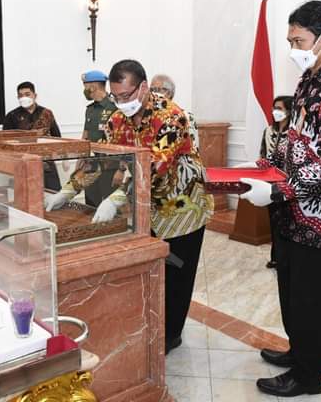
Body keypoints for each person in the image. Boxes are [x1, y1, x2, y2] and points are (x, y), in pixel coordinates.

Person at [45, 60, 214, 355]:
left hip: (183, 209)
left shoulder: (173, 117)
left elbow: (154, 167)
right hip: (146, 208)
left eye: (126, 96)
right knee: (151, 268)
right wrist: (69, 189)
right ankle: (151, 324)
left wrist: (115, 199)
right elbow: (100, 159)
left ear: (144, 87)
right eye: (116, 97)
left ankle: (170, 335)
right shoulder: (117, 120)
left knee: (177, 276)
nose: (121, 103)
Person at [239, 1, 321, 397]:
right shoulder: (309, 81)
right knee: (292, 289)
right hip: (295, 210)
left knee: (314, 299)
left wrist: (276, 189)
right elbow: (294, 140)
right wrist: (263, 164)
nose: (294, 47)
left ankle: (310, 376)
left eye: (299, 40)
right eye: (291, 39)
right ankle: (299, 351)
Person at [3, 81, 62, 190]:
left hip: (46, 162)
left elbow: (57, 136)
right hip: (23, 163)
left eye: (27, 94)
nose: (24, 98)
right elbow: (6, 142)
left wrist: (64, 159)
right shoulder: (12, 116)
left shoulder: (46, 113)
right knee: (28, 196)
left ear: (35, 95)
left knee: (53, 192)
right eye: (20, 95)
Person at [261, 95, 293, 269]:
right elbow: (263, 154)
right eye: (274, 108)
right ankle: (276, 257)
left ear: (289, 111)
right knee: (274, 222)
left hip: (288, 186)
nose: (275, 112)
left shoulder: (295, 133)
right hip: (269, 184)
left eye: (279, 108)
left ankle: (286, 258)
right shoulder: (268, 131)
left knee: (286, 223)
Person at [80, 69, 118, 207]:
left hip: (110, 164)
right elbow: (85, 134)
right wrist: (81, 157)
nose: (84, 90)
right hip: (91, 163)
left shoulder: (114, 107)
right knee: (91, 202)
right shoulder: (90, 109)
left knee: (109, 203)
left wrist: (121, 169)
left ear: (93, 86)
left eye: (85, 86)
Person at [150, 74, 200, 148]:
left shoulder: (184, 116)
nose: (153, 94)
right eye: (151, 90)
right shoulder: (149, 115)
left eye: (157, 90)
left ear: (169, 93)